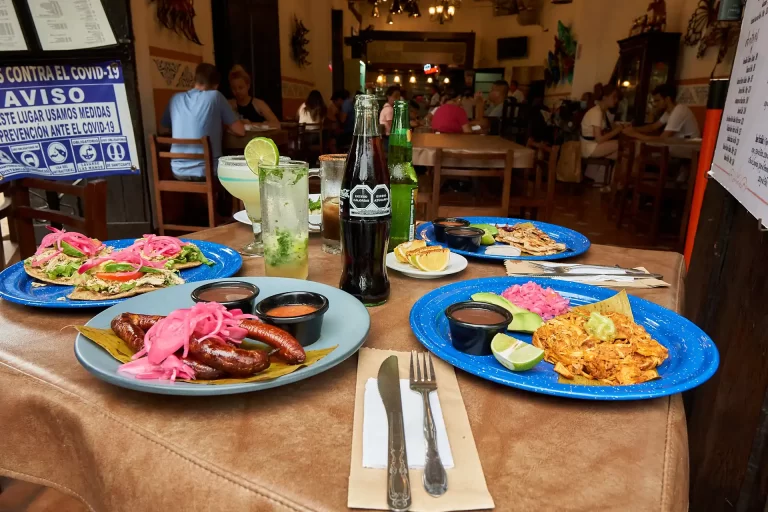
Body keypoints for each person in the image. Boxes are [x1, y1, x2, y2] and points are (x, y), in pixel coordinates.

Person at [161, 63, 245, 181]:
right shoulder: (215, 96)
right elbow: (240, 131)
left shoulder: (175, 98)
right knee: (241, 172)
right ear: (216, 85)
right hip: (208, 171)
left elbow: (164, 128)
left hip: (178, 171)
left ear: (195, 80)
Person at [625, 84, 701, 140]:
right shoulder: (669, 111)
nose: (655, 104)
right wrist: (634, 129)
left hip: (687, 150)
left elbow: (662, 139)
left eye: (657, 100)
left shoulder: (679, 111)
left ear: (667, 99)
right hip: (676, 147)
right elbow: (653, 127)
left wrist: (634, 134)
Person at [580, 83, 624, 159]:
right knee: (620, 144)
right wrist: (616, 131)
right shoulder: (596, 112)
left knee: (623, 155)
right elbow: (599, 139)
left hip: (593, 145)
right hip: (589, 148)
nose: (616, 100)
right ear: (604, 97)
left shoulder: (603, 111)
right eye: (614, 97)